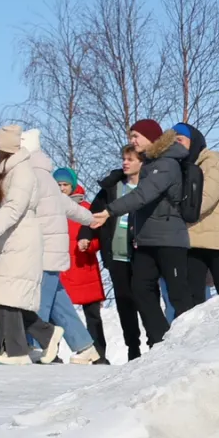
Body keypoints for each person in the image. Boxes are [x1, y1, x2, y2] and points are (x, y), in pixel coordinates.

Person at [90, 120, 196, 345]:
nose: (132, 141)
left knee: (178, 295)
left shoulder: (166, 163)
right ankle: (160, 340)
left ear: (151, 137)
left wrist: (110, 211)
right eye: (131, 136)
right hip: (147, 239)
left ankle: (191, 343)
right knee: (140, 289)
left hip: (169, 239)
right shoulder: (151, 163)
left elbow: (143, 194)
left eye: (136, 136)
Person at [0, 124, 60, 364]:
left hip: (22, 237)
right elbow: (7, 205)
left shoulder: (22, 171)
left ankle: (17, 352)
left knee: (7, 293)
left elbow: (15, 208)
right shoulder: (8, 169)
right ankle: (47, 334)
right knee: (9, 294)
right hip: (13, 236)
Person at [23, 129, 101, 363]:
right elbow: (71, 207)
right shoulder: (44, 178)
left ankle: (37, 346)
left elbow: (15, 207)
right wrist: (91, 219)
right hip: (50, 250)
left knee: (40, 302)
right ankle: (85, 346)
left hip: (44, 250)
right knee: (59, 303)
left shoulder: (33, 178)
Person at [91, 146, 146, 361]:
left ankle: (155, 342)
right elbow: (94, 213)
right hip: (117, 254)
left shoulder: (149, 185)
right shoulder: (113, 187)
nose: (125, 163)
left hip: (143, 253)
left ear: (142, 162)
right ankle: (133, 347)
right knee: (124, 302)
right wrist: (86, 235)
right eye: (123, 159)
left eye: (130, 159)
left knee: (145, 299)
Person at [56, 168, 109, 363]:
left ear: (72, 186)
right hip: (62, 268)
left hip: (83, 267)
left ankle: (99, 354)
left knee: (93, 315)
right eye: (58, 185)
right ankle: (51, 353)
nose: (61, 188)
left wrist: (89, 245)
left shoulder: (86, 208)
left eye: (65, 185)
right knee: (57, 313)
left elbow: (98, 238)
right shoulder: (51, 208)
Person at [174, 123, 219, 306]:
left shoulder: (211, 161)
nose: (176, 144)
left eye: (180, 140)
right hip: (194, 240)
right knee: (194, 300)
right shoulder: (184, 167)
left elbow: (207, 197)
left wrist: (177, 213)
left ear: (194, 141)